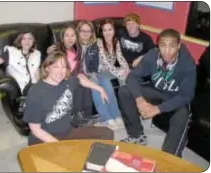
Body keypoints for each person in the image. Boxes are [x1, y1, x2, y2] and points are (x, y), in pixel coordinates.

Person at [118, 29, 196, 157]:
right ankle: (136, 135)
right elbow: (132, 77)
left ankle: (170, 157)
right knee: (125, 91)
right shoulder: (153, 55)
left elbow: (186, 95)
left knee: (183, 114)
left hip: (175, 97)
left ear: (178, 46)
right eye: (163, 45)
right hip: (156, 91)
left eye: (171, 46)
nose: (166, 51)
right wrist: (140, 100)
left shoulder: (187, 64)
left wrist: (158, 109)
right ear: (158, 45)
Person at [23, 51, 114, 146]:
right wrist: (59, 145)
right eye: (56, 67)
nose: (60, 71)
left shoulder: (67, 82)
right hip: (44, 139)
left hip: (67, 133)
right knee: (66, 157)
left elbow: (80, 79)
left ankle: (90, 159)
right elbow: (35, 129)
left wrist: (100, 89)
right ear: (47, 68)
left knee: (107, 133)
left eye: (63, 67)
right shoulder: (36, 92)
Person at [46, 25, 109, 127]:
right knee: (78, 83)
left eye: (73, 35)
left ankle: (86, 115)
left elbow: (78, 67)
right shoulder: (57, 50)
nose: (70, 39)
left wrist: (81, 75)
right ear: (62, 37)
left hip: (73, 77)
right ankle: (77, 117)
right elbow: (55, 69)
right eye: (67, 36)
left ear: (76, 37)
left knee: (86, 84)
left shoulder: (75, 49)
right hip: (61, 80)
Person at [76, 20, 124, 129]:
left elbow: (102, 58)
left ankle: (116, 116)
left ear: (92, 32)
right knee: (96, 86)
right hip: (82, 75)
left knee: (107, 84)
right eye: (83, 30)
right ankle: (106, 118)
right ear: (78, 31)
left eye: (88, 31)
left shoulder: (95, 43)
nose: (85, 33)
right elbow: (63, 46)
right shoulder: (75, 44)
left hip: (95, 72)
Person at [0, 30, 41, 95]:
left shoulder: (37, 54)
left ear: (33, 41)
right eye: (24, 38)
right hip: (21, 87)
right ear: (20, 40)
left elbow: (37, 72)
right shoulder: (10, 52)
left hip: (35, 86)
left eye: (30, 38)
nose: (27, 41)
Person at [97, 19, 130, 86]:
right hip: (102, 71)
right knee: (122, 74)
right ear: (102, 32)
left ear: (114, 30)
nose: (107, 32)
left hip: (112, 69)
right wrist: (118, 73)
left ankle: (125, 95)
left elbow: (120, 57)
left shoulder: (116, 42)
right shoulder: (99, 42)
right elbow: (105, 62)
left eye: (110, 29)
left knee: (126, 74)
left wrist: (127, 70)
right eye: (105, 30)